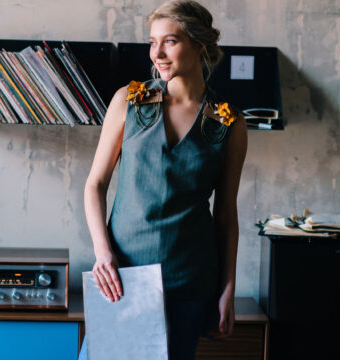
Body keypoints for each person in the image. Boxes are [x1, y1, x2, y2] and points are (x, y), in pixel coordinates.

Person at [81, 0, 247, 358]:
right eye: (153, 42)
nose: (157, 53)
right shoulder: (129, 101)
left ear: (199, 43)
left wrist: (228, 289)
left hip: (190, 281)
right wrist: (102, 253)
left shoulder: (228, 122)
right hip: (122, 276)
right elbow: (95, 185)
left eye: (170, 41)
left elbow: (226, 216)